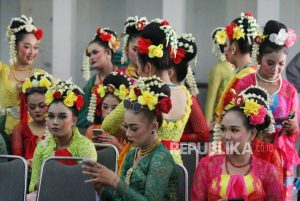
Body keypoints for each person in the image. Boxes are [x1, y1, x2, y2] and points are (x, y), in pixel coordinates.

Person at [101, 19, 192, 164]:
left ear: (148, 68)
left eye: (139, 67)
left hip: (145, 164)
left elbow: (108, 125)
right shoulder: (185, 93)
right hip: (174, 164)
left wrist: (129, 134)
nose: (137, 71)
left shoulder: (142, 92)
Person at [232, 20, 299, 200]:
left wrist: (292, 126)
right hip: (247, 153)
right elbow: (230, 120)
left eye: (281, 64)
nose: (275, 69)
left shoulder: (289, 90)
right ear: (259, 57)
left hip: (278, 155)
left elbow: (294, 132)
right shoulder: (245, 84)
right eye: (270, 63)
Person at [82, 76, 177, 201]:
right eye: (126, 127)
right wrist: (100, 188)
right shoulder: (132, 153)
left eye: (134, 128)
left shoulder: (161, 158)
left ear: (154, 126)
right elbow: (119, 198)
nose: (127, 134)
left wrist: (114, 181)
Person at [191, 86, 283, 200]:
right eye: (223, 129)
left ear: (252, 134)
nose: (226, 136)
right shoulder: (206, 166)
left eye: (234, 130)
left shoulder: (268, 171)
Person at [29, 80, 97, 192]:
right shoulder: (42, 147)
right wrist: (41, 183)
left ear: (74, 121)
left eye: (62, 117)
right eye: (50, 116)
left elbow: (87, 187)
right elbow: (31, 188)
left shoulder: (85, 146)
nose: (55, 122)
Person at [0, 15, 46, 152]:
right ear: (14, 45)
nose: (32, 52)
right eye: (27, 47)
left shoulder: (43, 76)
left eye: (36, 47)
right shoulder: (3, 71)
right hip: (3, 139)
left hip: (31, 140)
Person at [214, 12, 260, 122]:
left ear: (233, 48)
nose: (224, 50)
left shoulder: (245, 76)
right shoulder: (250, 72)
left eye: (226, 45)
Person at [170, 33, 210, 143]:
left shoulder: (188, 100)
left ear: (170, 72)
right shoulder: (154, 95)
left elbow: (203, 135)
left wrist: (175, 139)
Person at [78, 27, 120, 129]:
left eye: (95, 52)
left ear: (108, 53)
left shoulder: (124, 76)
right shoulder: (91, 84)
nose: (91, 57)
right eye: (89, 54)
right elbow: (82, 115)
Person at [11, 72, 54, 167]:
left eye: (42, 106)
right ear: (26, 106)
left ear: (50, 103)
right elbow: (17, 162)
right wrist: (26, 164)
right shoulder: (20, 129)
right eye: (32, 107)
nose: (37, 110)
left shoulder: (56, 127)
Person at [85, 71, 132, 150]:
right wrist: (92, 147)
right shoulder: (92, 131)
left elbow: (134, 160)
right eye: (105, 107)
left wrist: (117, 145)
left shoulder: (131, 134)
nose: (109, 112)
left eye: (114, 108)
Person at [205, 27, 234, 124]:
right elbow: (211, 97)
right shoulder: (218, 69)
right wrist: (207, 121)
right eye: (226, 45)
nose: (229, 48)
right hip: (220, 118)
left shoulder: (237, 66)